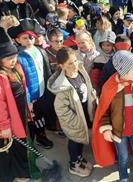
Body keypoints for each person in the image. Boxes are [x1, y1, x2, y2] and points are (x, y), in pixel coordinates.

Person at [0, 27, 41, 181]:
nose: (13, 60)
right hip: (8, 120)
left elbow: (24, 89)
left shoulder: (15, 67)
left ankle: (23, 171)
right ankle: (17, 175)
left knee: (22, 145)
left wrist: (28, 105)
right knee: (13, 148)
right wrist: (4, 126)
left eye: (14, 56)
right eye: (8, 58)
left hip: (21, 113)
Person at [92, 50, 133, 182]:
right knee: (122, 157)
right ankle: (123, 176)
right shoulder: (111, 87)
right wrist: (106, 128)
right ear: (124, 71)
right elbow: (104, 110)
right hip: (119, 132)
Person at [47, 47, 97, 177]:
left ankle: (79, 158)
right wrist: (75, 121)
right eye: (70, 63)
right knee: (75, 140)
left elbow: (88, 86)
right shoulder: (62, 86)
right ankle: (74, 164)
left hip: (84, 112)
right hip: (75, 119)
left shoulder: (80, 70)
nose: (74, 65)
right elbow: (61, 109)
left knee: (80, 139)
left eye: (75, 61)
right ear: (62, 66)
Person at [8, 18, 55, 140]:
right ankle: (38, 136)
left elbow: (46, 69)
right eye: (24, 38)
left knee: (43, 113)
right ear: (18, 40)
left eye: (31, 37)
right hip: (32, 95)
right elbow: (22, 80)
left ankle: (44, 131)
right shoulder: (19, 58)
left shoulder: (40, 51)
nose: (29, 40)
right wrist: (27, 100)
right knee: (35, 117)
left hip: (43, 89)